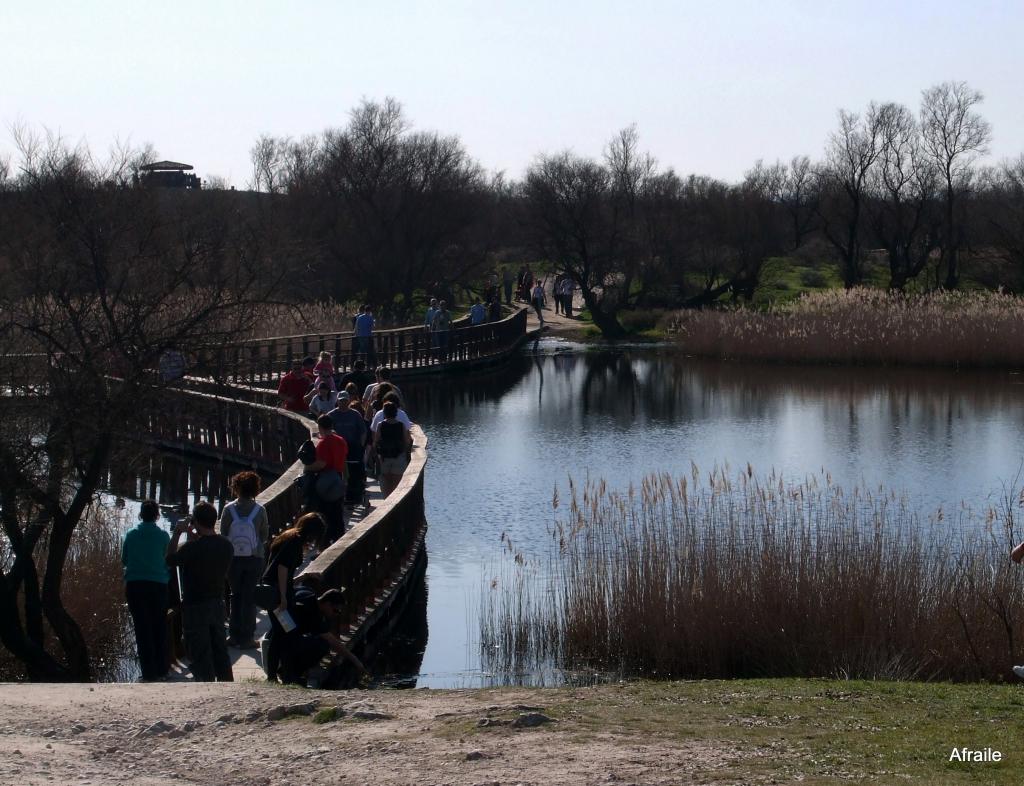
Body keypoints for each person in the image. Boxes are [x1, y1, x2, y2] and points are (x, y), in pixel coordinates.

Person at [165, 501, 235, 682]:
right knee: (220, 649)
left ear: (195, 522)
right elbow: (206, 550)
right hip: (217, 603)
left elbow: (170, 559)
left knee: (199, 652)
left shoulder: (190, 548)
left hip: (195, 606)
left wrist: (177, 533)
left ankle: (206, 686)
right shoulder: (226, 545)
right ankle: (227, 686)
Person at [263, 513, 326, 682]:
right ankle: (280, 675)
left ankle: (277, 675)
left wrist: (302, 578)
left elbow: (282, 569)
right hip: (279, 595)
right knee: (284, 633)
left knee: (281, 633)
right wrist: (283, 597)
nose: (314, 540)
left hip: (276, 591)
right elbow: (282, 568)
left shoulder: (288, 536)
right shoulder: (294, 543)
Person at [122, 499, 171, 681]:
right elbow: (167, 558)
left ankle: (148, 673)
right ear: (157, 516)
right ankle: (162, 670)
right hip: (159, 585)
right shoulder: (164, 536)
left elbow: (125, 559)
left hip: (136, 586)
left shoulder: (131, 534)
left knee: (142, 629)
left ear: (141, 515)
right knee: (159, 626)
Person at [278, 587, 367, 686]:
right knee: (322, 645)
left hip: (280, 631)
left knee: (310, 641)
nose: (336, 614)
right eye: (336, 610)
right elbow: (332, 641)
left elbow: (290, 586)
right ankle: (291, 674)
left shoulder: (307, 593)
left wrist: (304, 576)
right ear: (327, 604)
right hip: (285, 640)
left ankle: (289, 672)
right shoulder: (314, 614)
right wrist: (355, 660)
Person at [220, 472, 269, 650]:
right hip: (254, 558)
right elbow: (264, 536)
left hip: (233, 559)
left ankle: (233, 636)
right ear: (256, 489)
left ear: (236, 487)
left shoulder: (228, 509)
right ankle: (247, 637)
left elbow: (223, 533)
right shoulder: (260, 510)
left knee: (235, 595)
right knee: (249, 597)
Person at [305, 414, 348, 543]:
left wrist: (308, 467)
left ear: (320, 427)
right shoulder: (341, 440)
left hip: (327, 479)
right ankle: (339, 540)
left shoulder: (323, 443)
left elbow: (321, 464)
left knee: (324, 513)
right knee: (337, 511)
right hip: (338, 477)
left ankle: (324, 544)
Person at [329, 391, 370, 507]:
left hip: (353, 447)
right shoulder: (332, 415)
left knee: (355, 472)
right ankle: (341, 495)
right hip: (338, 448)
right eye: (340, 400)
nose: (343, 403)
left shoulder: (355, 414)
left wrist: (361, 446)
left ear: (348, 401)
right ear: (337, 401)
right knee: (339, 472)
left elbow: (363, 431)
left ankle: (355, 495)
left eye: (345, 400)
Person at [373, 401, 413, 498]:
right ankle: (395, 507)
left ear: (385, 413)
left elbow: (375, 442)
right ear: (395, 412)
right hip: (399, 458)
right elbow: (407, 441)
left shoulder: (380, 425)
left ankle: (387, 505)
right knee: (397, 486)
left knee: (386, 486)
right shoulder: (401, 425)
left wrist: (375, 456)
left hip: (384, 458)